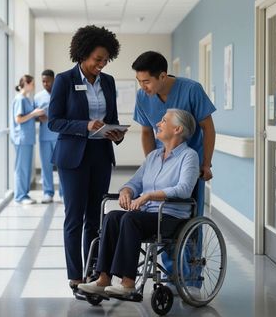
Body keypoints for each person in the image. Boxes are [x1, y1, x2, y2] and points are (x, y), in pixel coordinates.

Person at [78, 109, 199, 296]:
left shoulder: (189, 156)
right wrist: (126, 192)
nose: (158, 124)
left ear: (177, 129)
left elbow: (184, 189)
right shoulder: (153, 156)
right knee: (112, 217)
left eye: (163, 121)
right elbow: (134, 183)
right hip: (148, 215)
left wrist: (149, 196)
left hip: (171, 216)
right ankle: (103, 279)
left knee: (130, 219)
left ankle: (127, 283)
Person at [48, 25, 126, 290]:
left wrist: (116, 133)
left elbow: (112, 118)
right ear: (82, 55)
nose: (101, 65)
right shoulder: (64, 80)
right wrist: (84, 126)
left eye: (105, 60)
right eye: (97, 59)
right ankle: (75, 275)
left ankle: (93, 270)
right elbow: (54, 122)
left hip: (101, 154)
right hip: (73, 157)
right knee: (75, 217)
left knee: (95, 216)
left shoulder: (108, 81)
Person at [131, 51, 216, 277]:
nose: (143, 87)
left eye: (146, 81)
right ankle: (172, 275)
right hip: (163, 162)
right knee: (160, 216)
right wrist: (154, 165)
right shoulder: (142, 97)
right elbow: (147, 132)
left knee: (187, 220)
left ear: (162, 76)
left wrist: (206, 164)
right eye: (139, 81)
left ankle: (190, 277)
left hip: (190, 165)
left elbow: (208, 128)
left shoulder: (191, 89)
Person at [10, 75, 45, 205]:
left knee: (25, 168)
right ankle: (20, 196)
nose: (34, 86)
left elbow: (27, 117)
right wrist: (34, 113)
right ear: (26, 83)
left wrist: (36, 116)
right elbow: (18, 119)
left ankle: (24, 194)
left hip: (27, 139)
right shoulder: (20, 99)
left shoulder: (26, 99)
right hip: (21, 139)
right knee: (21, 169)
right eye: (33, 84)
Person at [34, 69, 63, 203]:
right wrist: (39, 118)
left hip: (59, 136)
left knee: (62, 166)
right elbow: (32, 117)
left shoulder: (61, 93)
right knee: (46, 166)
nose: (45, 84)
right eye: (43, 81)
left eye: (48, 81)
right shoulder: (38, 97)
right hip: (44, 137)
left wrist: (50, 117)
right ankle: (48, 193)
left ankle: (64, 194)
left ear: (54, 80)